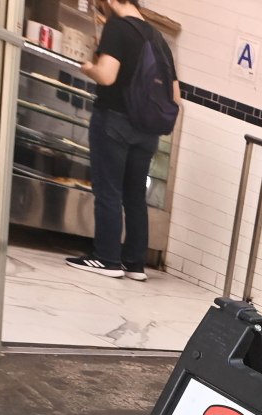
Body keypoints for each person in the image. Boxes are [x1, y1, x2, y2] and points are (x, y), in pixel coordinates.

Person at [66, 0, 179, 281]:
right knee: (134, 197)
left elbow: (106, 75)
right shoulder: (158, 38)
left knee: (109, 191)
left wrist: (88, 67)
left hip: (114, 122)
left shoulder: (117, 28)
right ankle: (135, 264)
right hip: (147, 131)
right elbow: (175, 96)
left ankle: (106, 258)